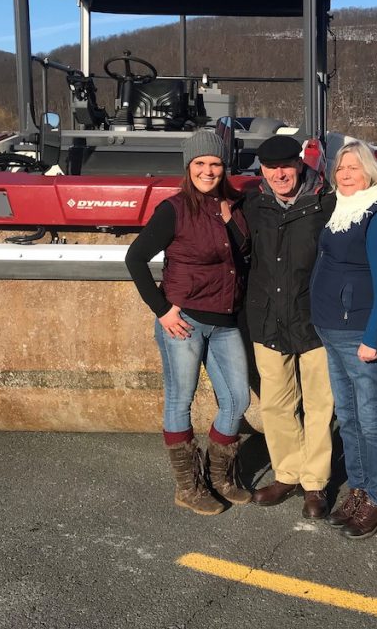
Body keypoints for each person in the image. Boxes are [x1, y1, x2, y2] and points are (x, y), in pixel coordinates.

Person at [125, 131, 252, 515]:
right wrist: (162, 310)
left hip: (226, 319)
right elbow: (135, 258)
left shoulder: (233, 206)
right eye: (200, 164)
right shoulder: (174, 209)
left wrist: (232, 222)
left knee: (237, 400)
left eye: (215, 164)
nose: (208, 170)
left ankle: (218, 477)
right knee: (180, 400)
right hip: (186, 321)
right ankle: (188, 486)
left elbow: (241, 257)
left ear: (223, 167)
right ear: (188, 167)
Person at [310, 140, 377, 539]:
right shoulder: (341, 210)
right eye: (340, 168)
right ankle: (359, 488)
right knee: (348, 417)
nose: (345, 174)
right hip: (333, 330)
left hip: (364, 333)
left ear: (370, 171)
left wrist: (373, 337)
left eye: (354, 167)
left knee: (371, 421)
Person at [244, 135, 337, 519]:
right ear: (262, 169)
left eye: (285, 166)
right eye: (271, 167)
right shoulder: (253, 204)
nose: (279, 174)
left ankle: (314, 483)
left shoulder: (326, 204)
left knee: (319, 405)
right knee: (277, 405)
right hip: (267, 318)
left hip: (314, 318)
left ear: (299, 164)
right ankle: (287, 473)